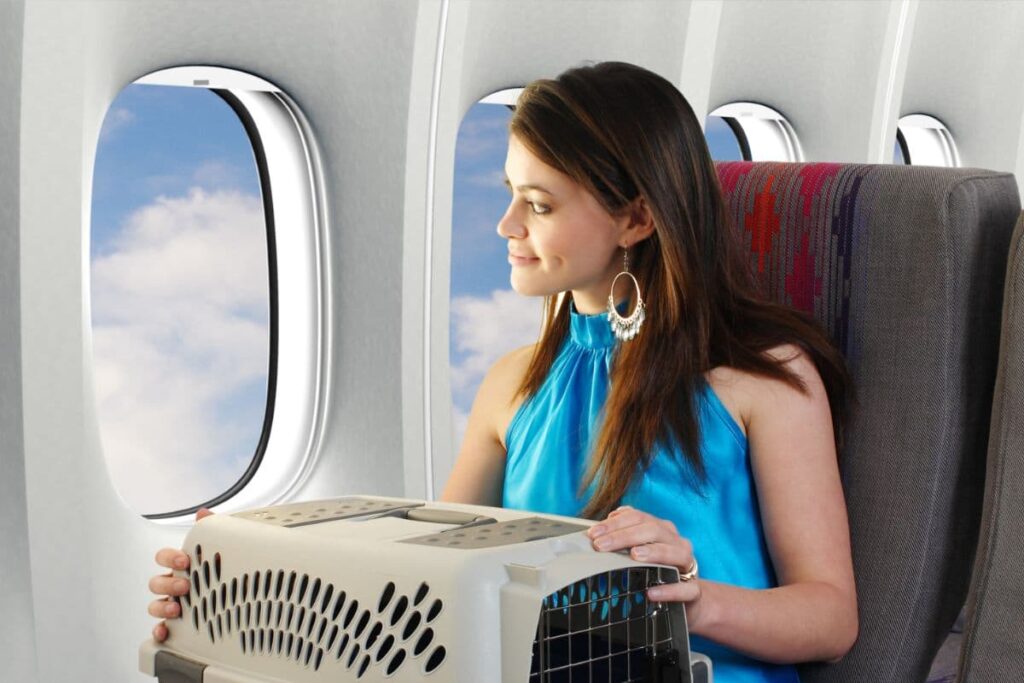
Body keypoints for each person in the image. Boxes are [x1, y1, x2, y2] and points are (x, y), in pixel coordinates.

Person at [149, 61, 857, 682]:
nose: (506, 224)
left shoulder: (762, 379)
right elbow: (432, 576)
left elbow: (830, 617)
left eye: (540, 204)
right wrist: (244, 567)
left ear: (636, 218)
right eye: (511, 192)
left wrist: (696, 599)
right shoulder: (511, 385)